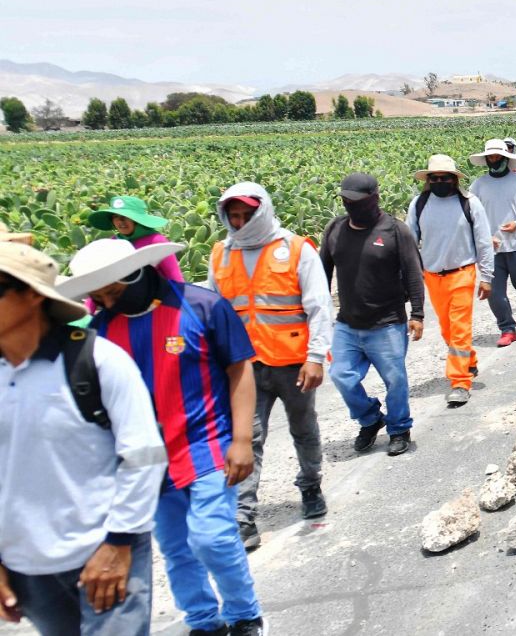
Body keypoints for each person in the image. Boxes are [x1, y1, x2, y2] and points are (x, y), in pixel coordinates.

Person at [60, 239, 266, 636]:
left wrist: (242, 440)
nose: (106, 302)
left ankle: (245, 616)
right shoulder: (99, 332)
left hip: (208, 446)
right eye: (98, 297)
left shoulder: (201, 306)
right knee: (176, 550)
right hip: (148, 462)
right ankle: (204, 622)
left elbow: (239, 370)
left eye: (114, 292)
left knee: (212, 539)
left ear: (138, 275)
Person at [0, 243, 166, 636]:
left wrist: (119, 543)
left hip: (105, 550)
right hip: (28, 568)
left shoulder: (98, 362)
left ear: (33, 295)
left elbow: (144, 456)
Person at [206, 183, 333, 551]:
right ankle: (244, 516)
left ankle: (310, 485)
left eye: (247, 215)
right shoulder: (220, 254)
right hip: (243, 367)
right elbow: (213, 309)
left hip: (291, 363)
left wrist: (315, 356)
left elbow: (319, 306)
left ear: (262, 212)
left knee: (303, 429)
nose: (240, 222)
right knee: (247, 438)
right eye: (234, 215)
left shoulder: (294, 249)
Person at [321, 173, 425, 457]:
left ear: (375, 198)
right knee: (341, 375)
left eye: (356, 201)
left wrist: (417, 313)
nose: (349, 205)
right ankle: (370, 418)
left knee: (395, 380)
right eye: (345, 200)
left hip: (388, 324)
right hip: (347, 324)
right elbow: (322, 274)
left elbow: (415, 274)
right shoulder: (334, 229)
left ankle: (399, 428)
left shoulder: (395, 231)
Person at [406, 155, 494, 406]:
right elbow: (410, 242)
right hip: (432, 276)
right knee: (447, 328)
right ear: (428, 180)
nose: (440, 181)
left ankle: (460, 381)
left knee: (459, 328)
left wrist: (486, 277)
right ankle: (470, 360)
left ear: (455, 179)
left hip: (462, 273)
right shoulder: (419, 204)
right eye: (435, 178)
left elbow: (484, 242)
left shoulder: (469, 203)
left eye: (445, 178)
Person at [468, 139, 516, 348]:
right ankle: (507, 328)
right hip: (492, 249)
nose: (494, 160)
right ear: (486, 160)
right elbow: (470, 214)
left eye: (497, 156)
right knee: (495, 292)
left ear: (506, 158)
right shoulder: (478, 185)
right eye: (490, 157)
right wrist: (483, 237)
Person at [86, 196, 185, 285]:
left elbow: (175, 277)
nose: (120, 221)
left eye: (126, 217)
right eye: (115, 217)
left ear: (137, 220)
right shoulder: (113, 243)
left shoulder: (157, 241)